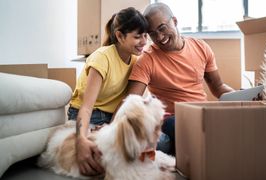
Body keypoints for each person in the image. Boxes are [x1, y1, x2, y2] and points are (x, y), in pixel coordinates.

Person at [125, 3, 234, 156]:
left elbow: (218, 87)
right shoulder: (147, 60)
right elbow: (131, 101)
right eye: (153, 34)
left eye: (162, 28)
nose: (160, 37)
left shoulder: (201, 47)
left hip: (203, 114)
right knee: (176, 124)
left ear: (174, 21)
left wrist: (243, 98)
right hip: (171, 119)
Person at [67, 7, 148, 176]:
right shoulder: (102, 58)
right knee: (98, 153)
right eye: (137, 36)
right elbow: (86, 107)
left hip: (112, 117)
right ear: (119, 36)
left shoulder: (135, 60)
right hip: (88, 114)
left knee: (144, 143)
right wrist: (81, 140)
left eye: (145, 35)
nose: (144, 41)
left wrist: (111, 127)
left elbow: (129, 102)